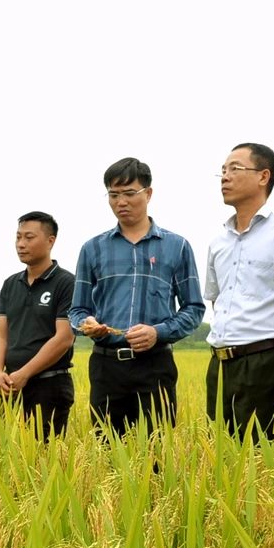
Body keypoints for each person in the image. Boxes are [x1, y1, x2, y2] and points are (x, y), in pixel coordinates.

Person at [69, 157, 205, 438]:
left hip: (155, 365)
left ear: (148, 194)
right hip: (107, 367)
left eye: (130, 193)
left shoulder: (176, 246)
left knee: (158, 454)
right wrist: (87, 323)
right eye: (114, 194)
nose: (121, 202)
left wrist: (158, 332)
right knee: (106, 453)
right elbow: (77, 310)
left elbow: (193, 308)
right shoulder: (92, 249)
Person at [204, 142, 274, 470]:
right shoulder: (218, 241)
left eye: (234, 169)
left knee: (267, 462)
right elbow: (216, 297)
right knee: (223, 460)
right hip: (220, 364)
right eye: (222, 170)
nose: (225, 177)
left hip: (265, 361)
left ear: (263, 176)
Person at [0, 211, 76, 440]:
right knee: (8, 458)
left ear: (50, 241)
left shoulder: (66, 283)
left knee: (44, 460)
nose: (21, 244)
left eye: (29, 238)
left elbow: (64, 338)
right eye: (18, 237)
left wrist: (25, 373)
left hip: (49, 385)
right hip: (12, 387)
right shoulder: (11, 284)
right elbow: (0, 335)